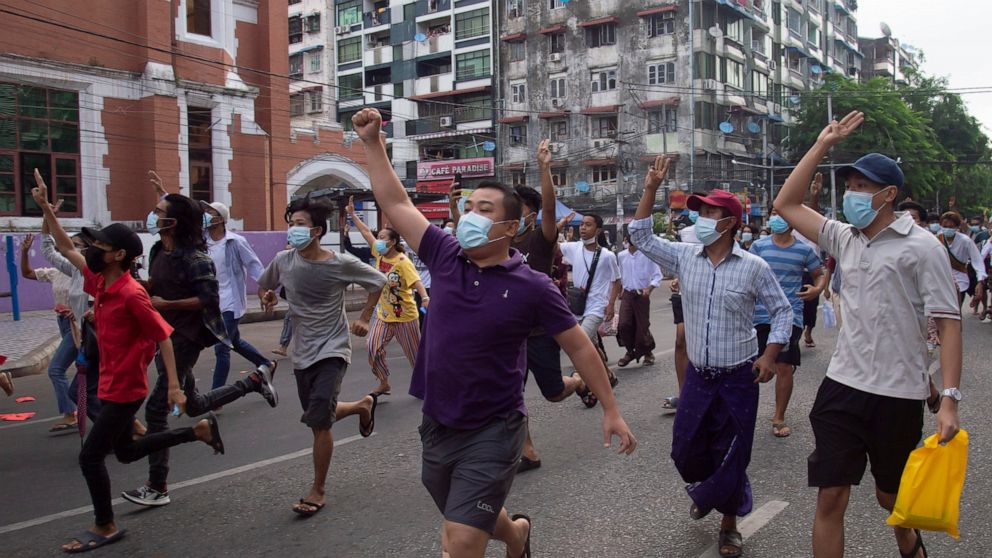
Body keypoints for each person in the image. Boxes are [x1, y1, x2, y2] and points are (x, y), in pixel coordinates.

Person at [352, 107, 636, 558]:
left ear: (508, 226)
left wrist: (611, 408)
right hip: (439, 420)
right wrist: (372, 144)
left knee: (460, 539)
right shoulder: (445, 254)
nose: (469, 216)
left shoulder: (533, 287)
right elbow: (398, 203)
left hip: (495, 427)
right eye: (468, 208)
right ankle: (517, 535)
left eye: (483, 210)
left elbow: (580, 347)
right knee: (468, 512)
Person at [773, 111, 963, 558]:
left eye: (862, 187)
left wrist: (949, 399)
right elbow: (786, 204)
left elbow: (949, 324)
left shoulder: (922, 247)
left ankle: (907, 539)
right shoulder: (842, 236)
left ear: (888, 194)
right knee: (831, 495)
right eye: (851, 186)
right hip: (843, 387)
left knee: (890, 499)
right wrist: (822, 144)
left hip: (898, 394)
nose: (853, 195)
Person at [32, 173, 223, 554]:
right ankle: (198, 431)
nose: (92, 249)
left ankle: (105, 525)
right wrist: (44, 210)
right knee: (127, 451)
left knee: (90, 457)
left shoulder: (132, 294)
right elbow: (67, 246)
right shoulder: (101, 282)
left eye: (99, 245)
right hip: (109, 382)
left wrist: (172, 385)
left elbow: (164, 335)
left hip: (125, 389)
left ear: (118, 254)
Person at [631, 156, 792, 558]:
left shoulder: (754, 267)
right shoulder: (685, 257)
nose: (701, 218)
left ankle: (728, 524)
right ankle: (709, 489)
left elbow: (783, 311)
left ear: (731, 222)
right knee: (685, 448)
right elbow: (640, 235)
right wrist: (651, 188)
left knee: (733, 452)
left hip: (739, 376)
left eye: (710, 212)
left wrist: (770, 355)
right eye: (699, 211)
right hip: (699, 378)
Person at [124, 193, 277, 508]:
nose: (152, 215)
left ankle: (157, 485)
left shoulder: (197, 259)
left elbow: (208, 300)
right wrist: (141, 290)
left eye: (159, 211)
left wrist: (167, 303)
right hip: (164, 332)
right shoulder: (158, 251)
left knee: (156, 408)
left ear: (173, 222)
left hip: (187, 336)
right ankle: (253, 382)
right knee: (192, 405)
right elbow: (157, 283)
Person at [258, 195, 385, 516]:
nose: (292, 230)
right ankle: (362, 405)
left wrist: (365, 318)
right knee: (320, 414)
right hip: (302, 352)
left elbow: (378, 281)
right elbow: (265, 286)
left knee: (319, 423)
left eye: (299, 225)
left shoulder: (340, 263)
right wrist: (269, 295)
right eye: (290, 224)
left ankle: (318, 489)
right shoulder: (283, 261)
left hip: (333, 349)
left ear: (315, 231)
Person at [513, 139, 588, 472]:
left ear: (530, 212)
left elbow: (548, 209)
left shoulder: (540, 240)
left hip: (541, 330)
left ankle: (578, 381)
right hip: (511, 333)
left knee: (554, 392)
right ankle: (527, 450)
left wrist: (545, 168)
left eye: (518, 209)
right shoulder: (500, 242)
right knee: (510, 395)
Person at [750, 210, 827, 438]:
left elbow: (818, 273)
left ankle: (779, 415)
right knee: (753, 366)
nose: (776, 218)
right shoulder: (759, 247)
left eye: (780, 214)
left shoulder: (803, 250)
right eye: (773, 213)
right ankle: (742, 412)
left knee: (784, 366)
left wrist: (818, 288)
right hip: (758, 315)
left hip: (790, 315)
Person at [347, 197, 427, 396]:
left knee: (416, 357)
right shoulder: (379, 254)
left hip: (406, 317)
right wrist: (352, 215)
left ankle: (428, 384)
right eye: (379, 236)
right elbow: (366, 232)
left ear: (391, 242)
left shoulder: (402, 262)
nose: (378, 240)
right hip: (383, 315)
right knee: (372, 346)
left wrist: (425, 297)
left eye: (382, 237)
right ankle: (384, 382)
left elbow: (416, 282)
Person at [202, 202, 277, 390]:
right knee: (233, 341)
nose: (205, 215)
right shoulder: (201, 241)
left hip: (231, 303)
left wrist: (265, 289)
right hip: (211, 302)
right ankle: (266, 364)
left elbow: (254, 266)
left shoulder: (235, 242)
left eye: (210, 212)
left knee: (222, 347)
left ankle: (215, 396)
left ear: (220, 219)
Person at [19, 229, 86, 431]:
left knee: (56, 369)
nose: (68, 248)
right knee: (84, 369)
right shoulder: (58, 271)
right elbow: (27, 273)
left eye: (75, 244)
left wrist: (79, 311)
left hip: (78, 325)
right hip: (63, 324)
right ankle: (83, 406)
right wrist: (24, 252)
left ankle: (70, 413)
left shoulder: (83, 272)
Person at [559, 213, 622, 382]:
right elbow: (550, 242)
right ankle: (608, 376)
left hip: (596, 306)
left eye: (588, 225)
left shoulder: (607, 256)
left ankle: (585, 381)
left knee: (581, 342)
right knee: (592, 345)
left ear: (598, 230)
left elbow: (617, 281)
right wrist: (562, 223)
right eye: (582, 225)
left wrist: (610, 305)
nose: (583, 228)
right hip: (578, 306)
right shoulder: (574, 248)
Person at [616, 233, 662, 367]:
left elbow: (657, 275)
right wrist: (621, 289)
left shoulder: (647, 255)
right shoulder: (622, 256)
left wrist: (649, 289)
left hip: (641, 294)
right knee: (624, 324)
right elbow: (621, 274)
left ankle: (648, 353)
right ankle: (630, 351)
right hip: (628, 294)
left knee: (642, 326)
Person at [936, 211, 987, 308]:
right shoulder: (935, 239)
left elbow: (977, 261)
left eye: (951, 227)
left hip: (960, 282)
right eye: (945, 226)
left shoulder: (965, 241)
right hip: (940, 280)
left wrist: (980, 281)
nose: (948, 229)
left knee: (956, 311)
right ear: (941, 225)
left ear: (957, 227)